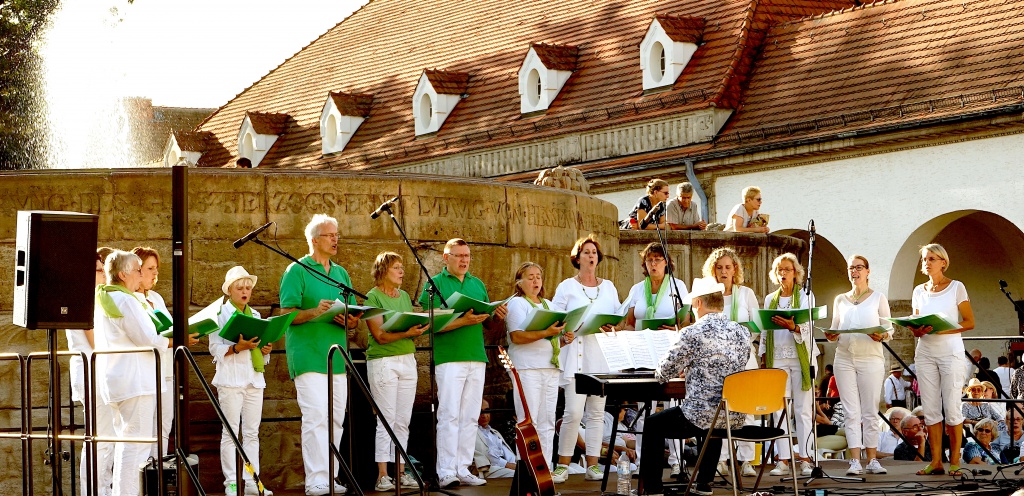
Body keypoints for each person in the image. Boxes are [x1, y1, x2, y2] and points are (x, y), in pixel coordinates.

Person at [638, 277, 750, 496]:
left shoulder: (692, 332)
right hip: (732, 414)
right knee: (717, 417)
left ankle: (652, 489)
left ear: (698, 303)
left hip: (699, 416)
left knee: (653, 424)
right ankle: (704, 483)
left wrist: (685, 368)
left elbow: (663, 373)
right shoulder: (741, 332)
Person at [279, 214, 364, 496]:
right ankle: (315, 479)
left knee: (336, 418)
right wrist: (315, 311)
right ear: (314, 240)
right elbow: (286, 315)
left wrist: (350, 320)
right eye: (330, 235)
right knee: (316, 417)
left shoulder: (341, 273)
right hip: (308, 356)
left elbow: (352, 315)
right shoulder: (297, 270)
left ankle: (331, 477)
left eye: (337, 234)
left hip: (338, 357)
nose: (336, 239)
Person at [418, 238, 508, 488]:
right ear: (446, 258)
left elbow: (488, 324)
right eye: (458, 256)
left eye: (467, 255)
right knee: (449, 415)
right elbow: (429, 323)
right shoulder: (434, 284)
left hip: (476, 356)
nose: (464, 260)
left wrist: (497, 316)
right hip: (449, 358)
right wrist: (462, 321)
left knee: (470, 415)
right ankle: (446, 470)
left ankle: (463, 467)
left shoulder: (477, 284)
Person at [93, 250, 177, 496]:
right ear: (122, 274)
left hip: (120, 381)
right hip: (136, 382)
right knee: (136, 447)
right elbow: (147, 338)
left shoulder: (105, 297)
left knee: (126, 444)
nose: (142, 274)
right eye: (137, 269)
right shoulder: (126, 300)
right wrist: (178, 339)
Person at [550, 235, 620, 483]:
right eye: (586, 252)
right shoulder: (567, 286)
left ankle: (593, 464)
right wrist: (565, 329)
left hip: (599, 355)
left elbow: (617, 315)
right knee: (573, 413)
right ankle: (563, 465)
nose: (591, 256)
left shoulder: (609, 286)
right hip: (575, 355)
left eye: (594, 253)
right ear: (577, 258)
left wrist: (612, 325)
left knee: (597, 413)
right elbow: (555, 318)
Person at [906, 243, 975, 476]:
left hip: (951, 354)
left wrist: (940, 329)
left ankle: (954, 462)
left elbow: (969, 322)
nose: (928, 262)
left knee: (953, 409)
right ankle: (936, 461)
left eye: (933, 258)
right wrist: (916, 330)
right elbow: (916, 322)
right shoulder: (918, 291)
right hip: (925, 353)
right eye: (925, 258)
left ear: (943, 262)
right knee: (931, 410)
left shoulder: (956, 287)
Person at [823, 255, 892, 475]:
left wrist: (881, 336)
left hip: (870, 358)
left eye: (859, 267)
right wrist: (831, 336)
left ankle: (872, 459)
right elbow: (835, 327)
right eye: (851, 268)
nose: (855, 271)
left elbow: (889, 329)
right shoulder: (840, 299)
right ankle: (854, 460)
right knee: (851, 412)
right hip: (844, 358)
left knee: (870, 410)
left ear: (868, 271)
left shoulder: (878, 297)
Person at [209, 266, 274, 496]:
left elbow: (263, 353)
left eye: (248, 287)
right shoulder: (219, 314)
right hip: (230, 380)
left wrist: (266, 349)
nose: (245, 291)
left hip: (254, 379)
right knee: (230, 433)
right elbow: (214, 348)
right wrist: (238, 347)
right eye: (240, 287)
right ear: (230, 290)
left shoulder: (255, 316)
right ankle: (232, 483)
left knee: (251, 433)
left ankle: (252, 482)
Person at [364, 252, 425, 491]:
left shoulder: (405, 296)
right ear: (383, 271)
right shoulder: (372, 296)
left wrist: (416, 328)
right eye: (396, 268)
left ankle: (400, 472)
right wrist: (407, 333)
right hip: (384, 362)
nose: (401, 272)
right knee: (386, 419)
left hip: (407, 359)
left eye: (402, 267)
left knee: (403, 421)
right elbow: (379, 336)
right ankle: (382, 475)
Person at [504, 262, 570, 468]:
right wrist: (546, 332)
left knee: (548, 421)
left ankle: (545, 469)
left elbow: (553, 341)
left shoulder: (549, 305)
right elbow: (516, 337)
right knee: (528, 419)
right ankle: (526, 470)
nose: (535, 281)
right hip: (527, 367)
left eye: (538, 277)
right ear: (519, 282)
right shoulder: (517, 304)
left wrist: (565, 338)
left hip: (549, 367)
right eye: (530, 277)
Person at [701, 247, 758, 477]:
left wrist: (736, 336)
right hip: (716, 360)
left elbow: (757, 326)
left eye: (728, 267)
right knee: (719, 409)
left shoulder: (745, 293)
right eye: (719, 267)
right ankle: (721, 459)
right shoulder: (707, 296)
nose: (723, 271)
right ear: (712, 271)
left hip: (743, 357)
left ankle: (747, 461)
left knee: (748, 408)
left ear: (735, 270)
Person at [760, 253, 817, 476]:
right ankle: (782, 459)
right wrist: (763, 354)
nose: (783, 273)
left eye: (787, 269)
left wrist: (793, 327)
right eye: (779, 270)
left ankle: (805, 457)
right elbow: (765, 329)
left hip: (800, 356)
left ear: (796, 273)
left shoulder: (805, 297)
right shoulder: (769, 299)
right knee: (779, 409)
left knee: (803, 409)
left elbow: (809, 326)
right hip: (778, 357)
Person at [68, 247, 116, 496]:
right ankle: (94, 491)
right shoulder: (83, 298)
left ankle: (104, 489)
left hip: (98, 372)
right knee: (99, 438)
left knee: (106, 438)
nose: (104, 275)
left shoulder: (96, 297)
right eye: (99, 270)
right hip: (91, 372)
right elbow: (96, 341)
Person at [131, 246, 175, 457]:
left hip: (166, 369)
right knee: (145, 427)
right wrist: (171, 341)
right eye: (150, 268)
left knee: (164, 425)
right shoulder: (129, 300)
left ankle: (160, 471)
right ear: (137, 270)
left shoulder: (156, 298)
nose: (155, 273)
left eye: (156, 268)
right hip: (146, 372)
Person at [622, 242, 689, 331]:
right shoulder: (636, 289)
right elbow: (629, 324)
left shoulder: (678, 286)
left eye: (657, 259)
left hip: (670, 339)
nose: (653, 264)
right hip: (642, 340)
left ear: (666, 262)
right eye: (649, 260)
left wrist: (679, 329)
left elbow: (686, 320)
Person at [473, 400, 517, 478]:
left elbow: (506, 451)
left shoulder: (494, 432)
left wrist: (515, 464)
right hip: (486, 468)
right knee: (517, 475)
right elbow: (487, 455)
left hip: (504, 467)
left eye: (487, 411)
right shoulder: (471, 432)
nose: (484, 416)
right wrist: (507, 465)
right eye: (480, 412)